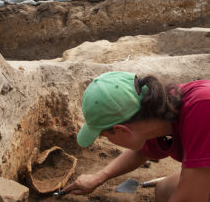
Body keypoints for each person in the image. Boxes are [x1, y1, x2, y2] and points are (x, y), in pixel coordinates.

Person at [64, 71, 210, 202]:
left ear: (121, 130)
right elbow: (141, 152)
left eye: (105, 136)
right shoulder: (157, 110)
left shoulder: (202, 108)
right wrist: (98, 178)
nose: (108, 140)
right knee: (164, 191)